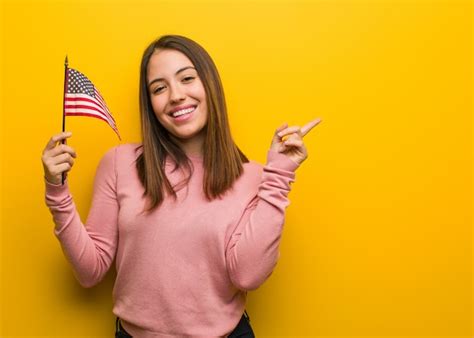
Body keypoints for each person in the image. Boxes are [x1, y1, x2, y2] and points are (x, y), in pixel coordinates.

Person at [42, 35, 321, 337]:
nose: (175, 95)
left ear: (209, 86)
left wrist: (279, 176)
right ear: (150, 104)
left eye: (187, 78)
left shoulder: (253, 177)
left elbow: (248, 275)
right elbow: (89, 271)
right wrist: (58, 194)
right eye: (159, 88)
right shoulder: (119, 164)